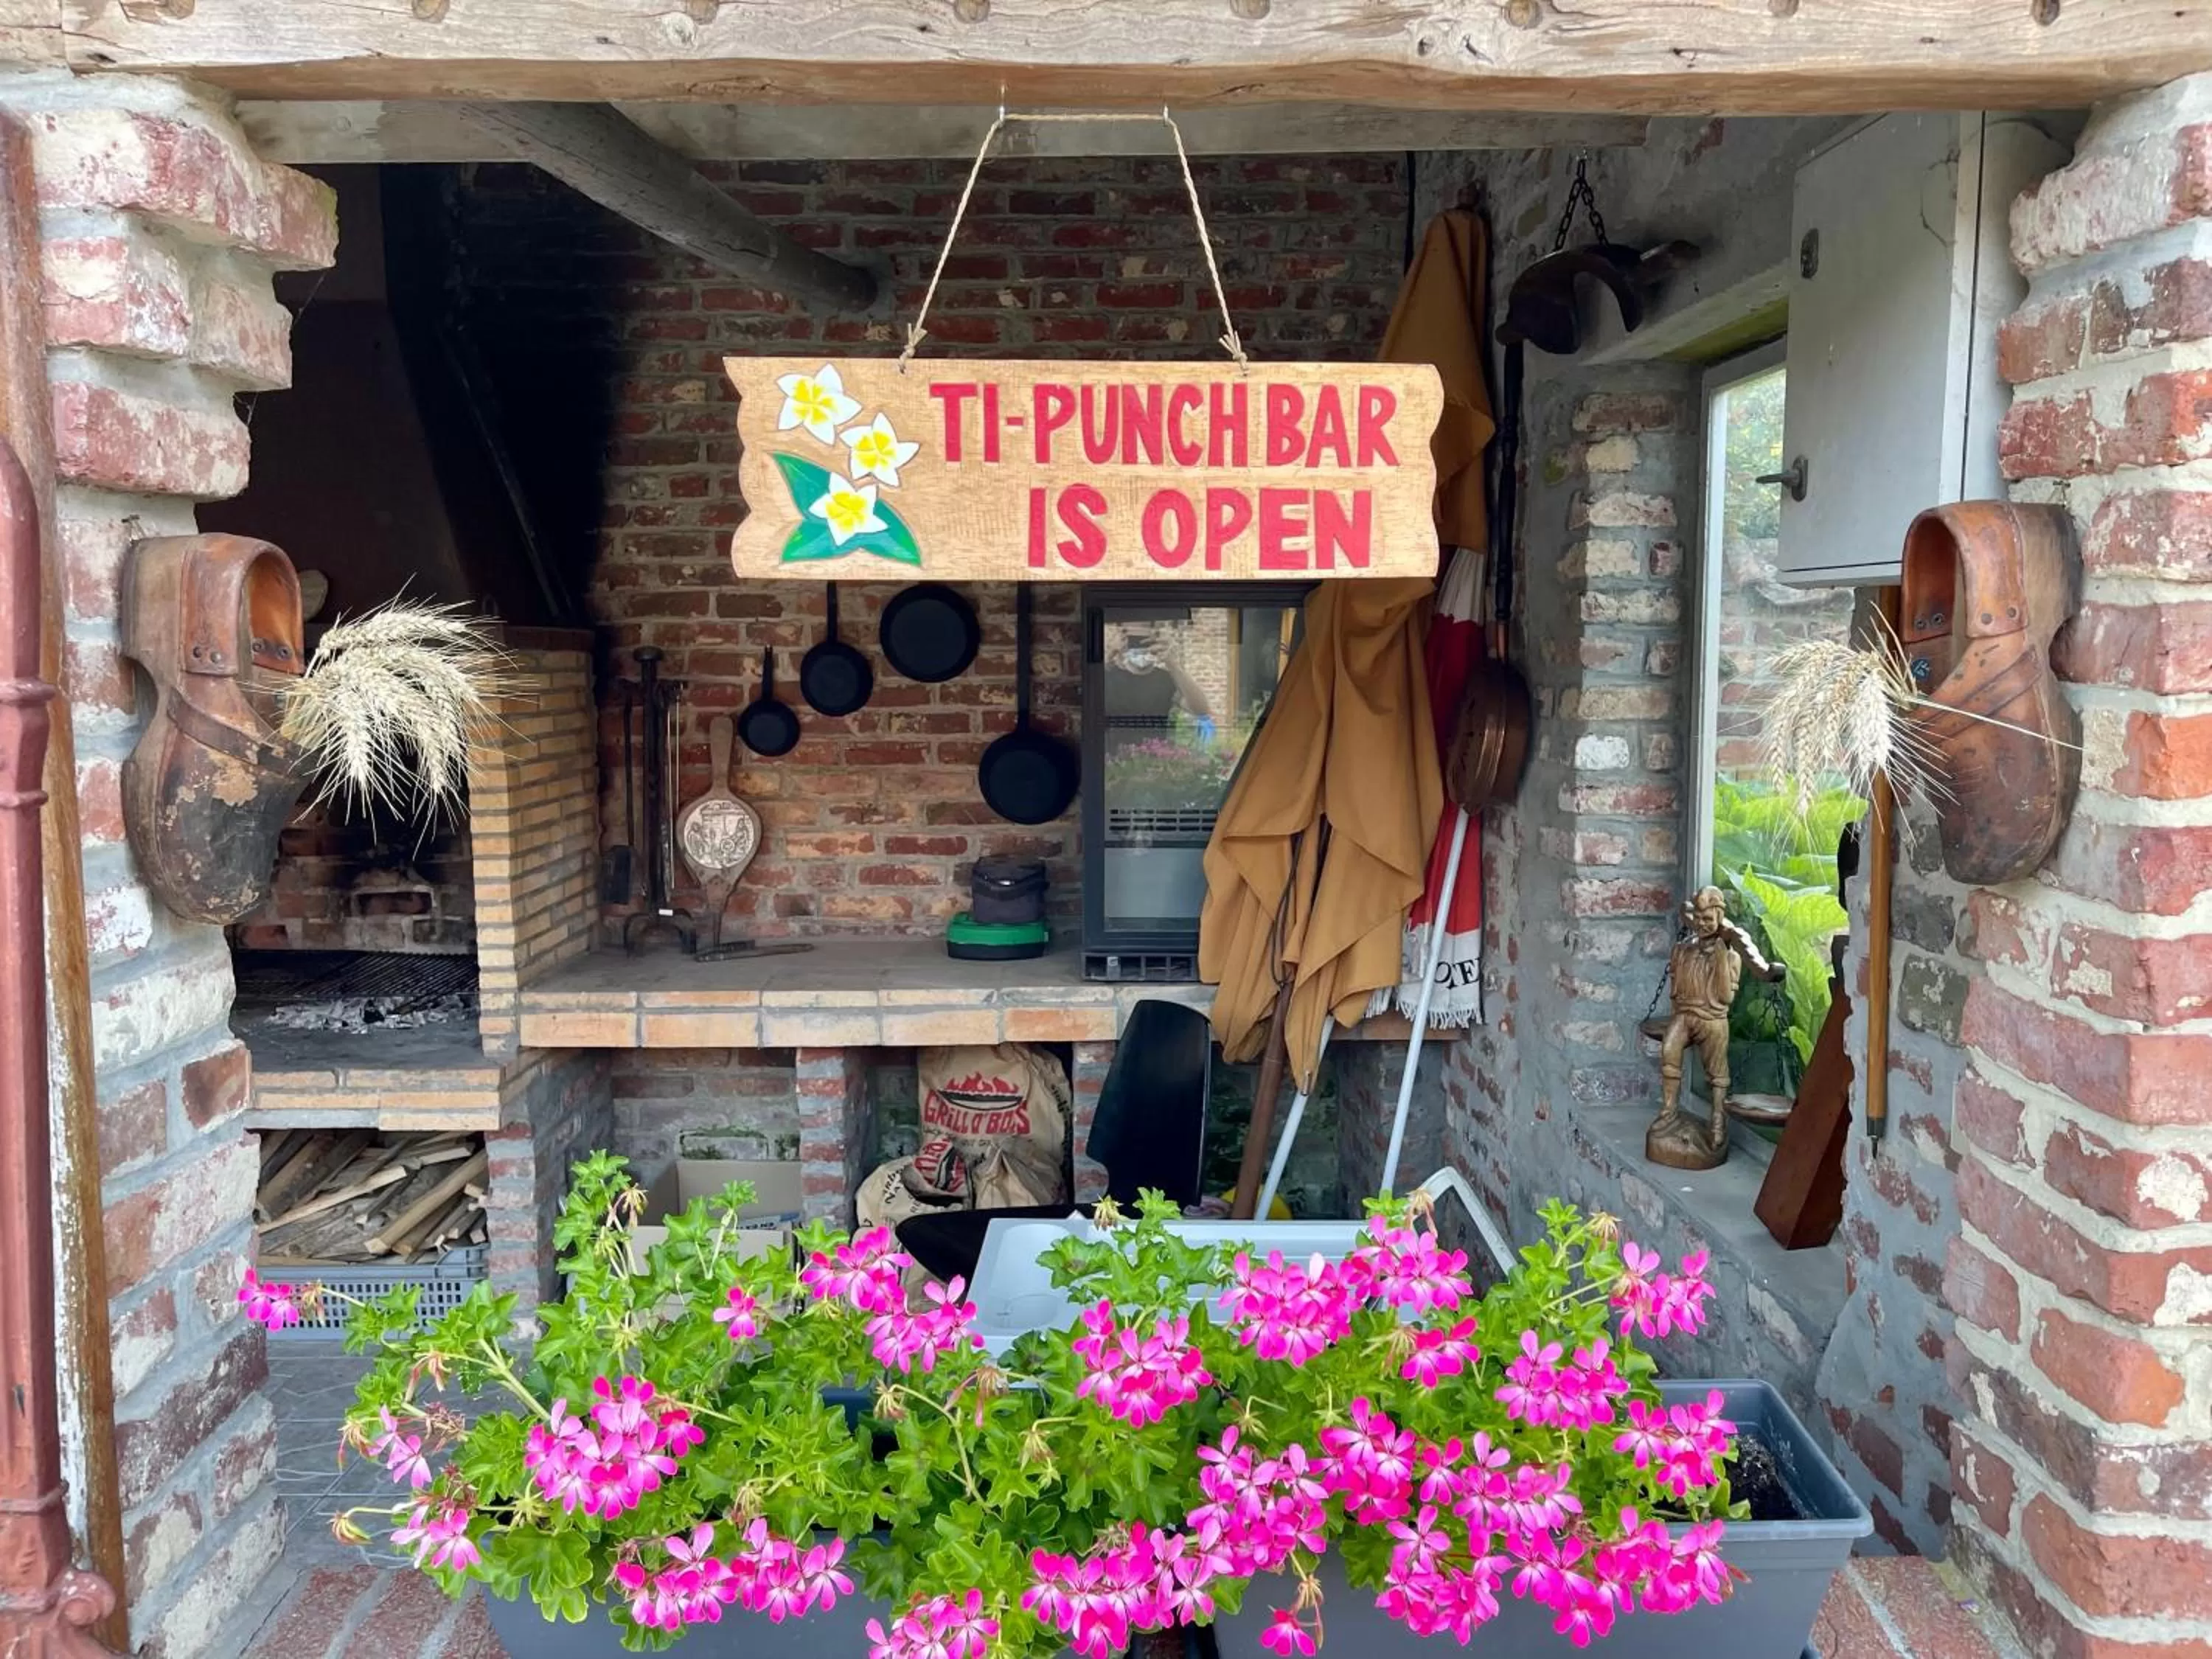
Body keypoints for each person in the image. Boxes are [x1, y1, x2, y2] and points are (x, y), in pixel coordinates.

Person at [1646, 886, 1784, 1170]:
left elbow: (1725, 996)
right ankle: (1669, 1110)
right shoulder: (1684, 950)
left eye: (1708, 919)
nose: (1702, 924)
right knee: (1669, 1049)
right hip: (1685, 1016)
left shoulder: (1731, 956)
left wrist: (1722, 955)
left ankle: (1718, 1121)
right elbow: (1676, 989)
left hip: (1713, 1019)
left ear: (1720, 918)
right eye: (1698, 918)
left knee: (1717, 1075)